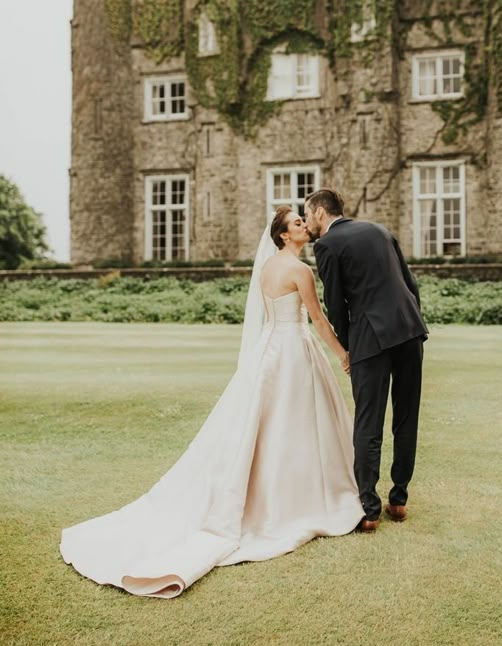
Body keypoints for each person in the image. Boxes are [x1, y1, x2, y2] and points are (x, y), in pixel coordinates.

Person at [60, 207, 364, 598]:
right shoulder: (301, 271)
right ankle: (298, 498)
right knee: (297, 423)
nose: (306, 226)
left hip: (269, 353)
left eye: (304, 221)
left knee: (269, 424)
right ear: (285, 236)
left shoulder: (267, 268)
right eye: (298, 224)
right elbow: (318, 321)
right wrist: (343, 354)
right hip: (292, 350)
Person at [304, 189, 427, 532]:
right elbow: (409, 284)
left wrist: (347, 349)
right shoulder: (380, 231)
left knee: (368, 423)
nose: (308, 223)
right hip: (409, 331)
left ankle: (370, 510)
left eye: (307, 214)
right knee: (406, 417)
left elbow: (336, 304)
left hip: (370, 340)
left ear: (319, 212)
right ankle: (399, 500)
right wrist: (413, 321)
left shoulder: (326, 246)